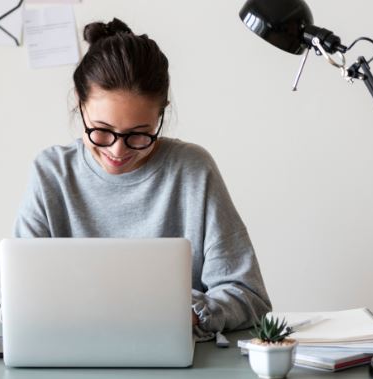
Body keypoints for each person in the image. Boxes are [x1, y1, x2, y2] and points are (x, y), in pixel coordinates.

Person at [14, 18, 271, 339]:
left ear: (159, 118)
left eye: (139, 135)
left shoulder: (193, 170)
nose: (118, 150)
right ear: (79, 106)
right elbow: (17, 297)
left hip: (176, 357)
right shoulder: (51, 172)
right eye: (102, 131)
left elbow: (249, 295)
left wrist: (189, 314)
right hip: (70, 354)